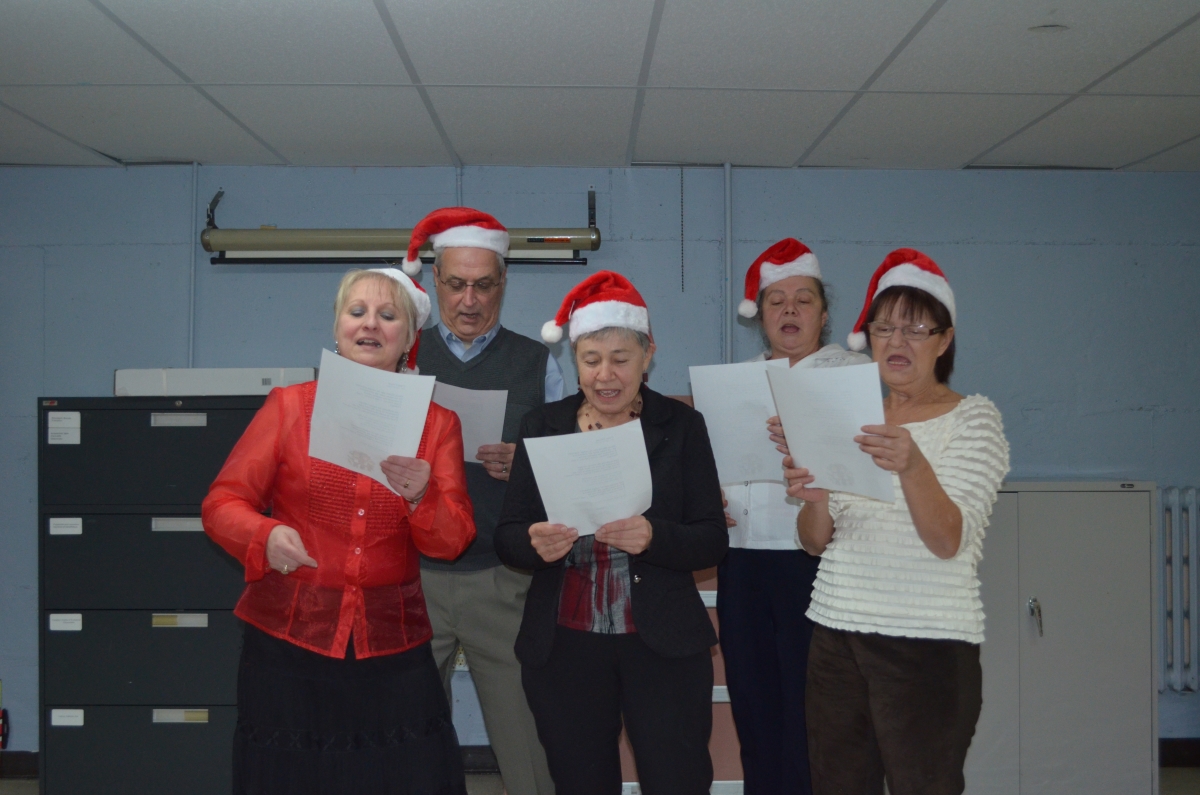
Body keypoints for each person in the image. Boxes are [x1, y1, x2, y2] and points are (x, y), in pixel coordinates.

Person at [202, 267, 476, 795]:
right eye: (357, 312)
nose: (370, 324)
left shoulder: (438, 424)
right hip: (288, 640)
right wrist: (264, 536)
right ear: (337, 328)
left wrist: (421, 496)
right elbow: (221, 503)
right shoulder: (289, 406)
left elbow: (452, 540)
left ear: (408, 338)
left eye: (387, 315)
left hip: (392, 648)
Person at [782, 249, 1010, 795]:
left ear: (944, 341)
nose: (897, 342)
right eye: (884, 328)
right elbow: (814, 543)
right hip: (836, 632)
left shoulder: (974, 418)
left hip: (927, 642)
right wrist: (815, 497)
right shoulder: (851, 416)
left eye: (916, 329)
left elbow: (948, 539)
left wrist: (912, 465)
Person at [495, 271, 728, 795]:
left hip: (661, 644)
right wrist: (534, 543)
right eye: (590, 359)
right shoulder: (542, 425)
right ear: (574, 360)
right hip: (565, 645)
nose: (605, 375)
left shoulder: (681, 426)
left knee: (677, 780)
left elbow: (713, 538)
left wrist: (654, 537)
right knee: (580, 781)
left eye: (621, 359)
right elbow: (508, 534)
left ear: (648, 356)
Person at [402, 207, 558, 795]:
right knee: (409, 737)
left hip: (503, 578)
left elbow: (570, 465)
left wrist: (529, 466)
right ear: (434, 281)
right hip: (412, 576)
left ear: (503, 283)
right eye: (456, 284)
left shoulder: (539, 363)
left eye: (484, 285)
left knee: (527, 741)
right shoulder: (401, 355)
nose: (469, 300)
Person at [720, 238, 870, 795]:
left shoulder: (852, 374)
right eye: (776, 300)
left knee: (814, 716)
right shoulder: (733, 381)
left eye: (803, 300)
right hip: (742, 562)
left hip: (819, 564)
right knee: (755, 710)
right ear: (760, 315)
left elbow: (864, 472)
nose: (789, 311)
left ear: (824, 314)